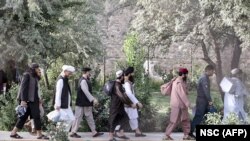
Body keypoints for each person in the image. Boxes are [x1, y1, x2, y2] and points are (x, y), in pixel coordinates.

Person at [10, 63, 49, 139]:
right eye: (37, 68)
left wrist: (39, 98)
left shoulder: (34, 76)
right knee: (36, 116)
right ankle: (39, 134)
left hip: (34, 100)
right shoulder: (27, 75)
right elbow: (23, 88)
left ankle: (13, 133)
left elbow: (36, 89)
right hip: (29, 100)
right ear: (33, 68)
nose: (38, 69)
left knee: (23, 117)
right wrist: (23, 100)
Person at [70, 67, 104, 138]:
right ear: (86, 72)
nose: (90, 73)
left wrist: (92, 99)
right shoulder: (83, 81)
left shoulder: (86, 80)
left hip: (86, 103)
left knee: (89, 117)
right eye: (89, 72)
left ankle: (94, 132)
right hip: (81, 103)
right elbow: (86, 92)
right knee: (78, 117)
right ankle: (73, 132)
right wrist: (93, 99)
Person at [163, 68, 194, 140]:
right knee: (174, 121)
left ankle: (186, 135)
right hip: (178, 105)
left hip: (181, 105)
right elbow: (182, 95)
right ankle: (166, 135)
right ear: (183, 75)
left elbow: (184, 92)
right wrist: (189, 104)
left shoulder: (178, 81)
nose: (187, 76)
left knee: (185, 120)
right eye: (186, 74)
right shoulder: (178, 82)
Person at [114, 67, 145, 137]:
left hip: (127, 103)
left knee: (130, 117)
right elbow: (129, 93)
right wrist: (136, 102)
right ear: (130, 73)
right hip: (129, 103)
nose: (134, 74)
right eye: (133, 72)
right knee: (132, 117)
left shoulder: (125, 81)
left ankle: (137, 131)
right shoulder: (126, 82)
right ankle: (137, 132)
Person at [108, 70, 136, 141]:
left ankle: (121, 133)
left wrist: (129, 103)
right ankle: (111, 137)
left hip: (119, 106)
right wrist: (130, 104)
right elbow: (122, 96)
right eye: (124, 76)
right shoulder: (117, 85)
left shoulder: (118, 84)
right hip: (116, 107)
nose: (124, 78)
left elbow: (123, 96)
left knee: (125, 118)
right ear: (121, 77)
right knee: (114, 120)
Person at [189, 65, 215, 138]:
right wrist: (210, 101)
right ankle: (190, 132)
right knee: (198, 116)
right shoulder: (204, 79)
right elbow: (206, 91)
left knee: (206, 116)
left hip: (203, 100)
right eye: (212, 71)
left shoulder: (205, 77)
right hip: (202, 101)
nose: (213, 72)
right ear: (209, 70)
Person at [53, 65, 75, 132]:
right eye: (69, 72)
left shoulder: (65, 80)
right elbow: (58, 93)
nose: (70, 74)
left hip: (66, 105)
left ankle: (62, 135)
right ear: (65, 71)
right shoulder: (61, 80)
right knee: (62, 121)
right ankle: (59, 136)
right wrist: (57, 105)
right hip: (61, 105)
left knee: (70, 119)